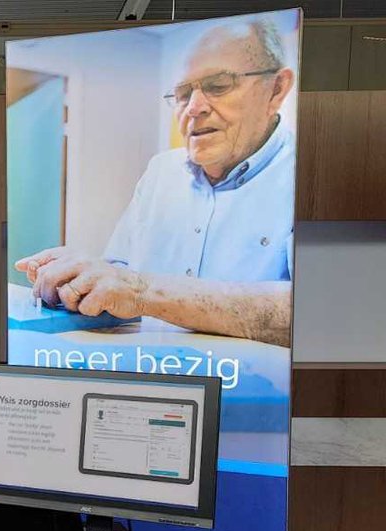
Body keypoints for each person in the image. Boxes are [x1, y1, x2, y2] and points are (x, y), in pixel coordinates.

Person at [15, 20, 295, 347]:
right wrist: (82, 278)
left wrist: (142, 291)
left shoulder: (310, 177)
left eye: (218, 85)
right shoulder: (161, 172)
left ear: (276, 89)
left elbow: (312, 310)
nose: (194, 108)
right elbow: (121, 270)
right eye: (182, 93)